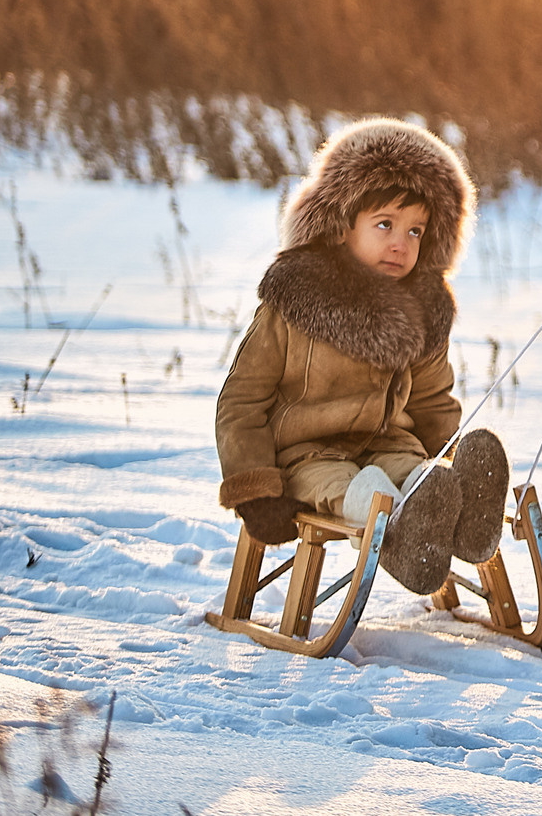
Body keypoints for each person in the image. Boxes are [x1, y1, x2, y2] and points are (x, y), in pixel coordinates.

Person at [215, 118, 510, 597]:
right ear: (340, 226)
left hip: (389, 444)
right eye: (386, 225)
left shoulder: (421, 307)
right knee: (365, 488)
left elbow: (433, 399)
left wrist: (447, 455)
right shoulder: (295, 300)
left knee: (418, 477)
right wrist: (254, 486)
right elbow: (241, 401)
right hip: (306, 455)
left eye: (416, 231)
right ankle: (403, 540)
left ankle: (461, 513)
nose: (401, 243)